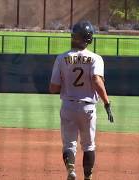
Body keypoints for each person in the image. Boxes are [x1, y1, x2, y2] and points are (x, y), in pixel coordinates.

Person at [49, 20, 114, 180]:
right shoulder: (95, 58)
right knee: (89, 146)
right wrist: (106, 103)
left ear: (73, 37)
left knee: (69, 145)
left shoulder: (61, 58)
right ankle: (87, 177)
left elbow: (53, 88)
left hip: (68, 107)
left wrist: (67, 82)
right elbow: (97, 81)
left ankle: (71, 170)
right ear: (89, 39)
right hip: (88, 108)